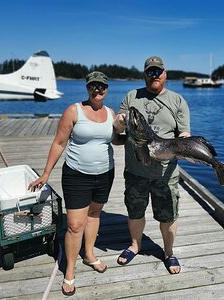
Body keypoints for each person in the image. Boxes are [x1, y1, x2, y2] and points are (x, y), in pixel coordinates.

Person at [28, 71, 119, 296]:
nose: (97, 90)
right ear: (87, 89)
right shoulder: (73, 110)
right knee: (74, 225)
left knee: (95, 214)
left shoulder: (111, 113)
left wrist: (122, 128)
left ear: (107, 89)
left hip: (105, 173)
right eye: (92, 87)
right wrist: (46, 173)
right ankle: (69, 271)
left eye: (101, 86)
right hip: (77, 175)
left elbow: (117, 141)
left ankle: (89, 255)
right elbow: (59, 143)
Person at [114, 56, 191, 275]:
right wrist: (118, 123)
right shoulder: (131, 97)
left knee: (168, 216)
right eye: (150, 72)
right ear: (145, 74)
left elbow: (184, 132)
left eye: (158, 72)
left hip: (166, 174)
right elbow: (118, 130)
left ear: (165, 74)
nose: (154, 75)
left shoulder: (177, 101)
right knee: (135, 212)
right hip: (136, 171)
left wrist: (184, 139)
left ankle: (168, 252)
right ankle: (135, 245)